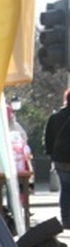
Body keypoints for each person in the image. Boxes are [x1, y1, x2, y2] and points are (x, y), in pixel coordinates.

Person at [45, 89, 70, 228]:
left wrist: (51, 155)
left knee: (65, 189)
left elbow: (48, 138)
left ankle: (66, 219)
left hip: (61, 160)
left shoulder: (55, 118)